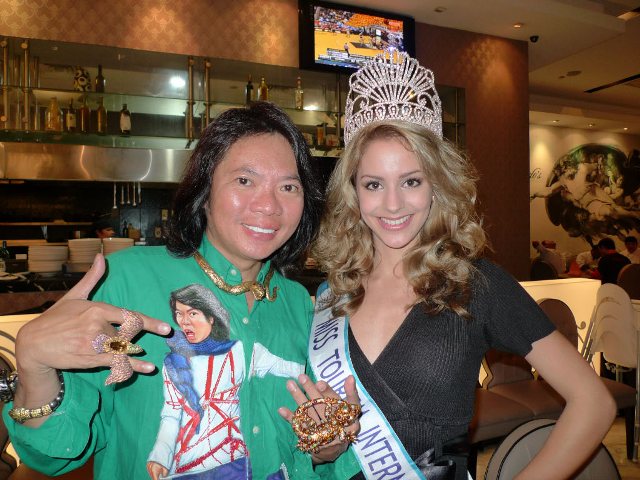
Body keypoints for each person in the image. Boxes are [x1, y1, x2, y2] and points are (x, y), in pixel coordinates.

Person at [280, 53, 615, 479]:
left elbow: (594, 403)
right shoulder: (333, 292)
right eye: (374, 184)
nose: (393, 204)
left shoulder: (477, 284)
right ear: (353, 192)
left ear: (437, 185)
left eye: (411, 181)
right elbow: (320, 451)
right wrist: (325, 446)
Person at [3, 102, 328, 479]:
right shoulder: (125, 281)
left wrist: (324, 445)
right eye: (244, 180)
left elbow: (301, 446)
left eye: (288, 186)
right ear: (204, 191)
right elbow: (55, 455)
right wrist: (35, 369)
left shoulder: (299, 303)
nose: (269, 205)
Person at [148, 284, 303, 479]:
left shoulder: (240, 350)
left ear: (211, 317)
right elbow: (171, 414)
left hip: (234, 460)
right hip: (189, 465)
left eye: (192, 313)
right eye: (179, 314)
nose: (184, 321)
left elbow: (292, 368)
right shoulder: (173, 362)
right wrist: (160, 458)